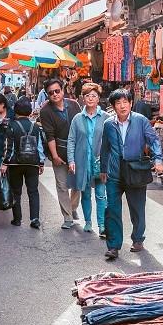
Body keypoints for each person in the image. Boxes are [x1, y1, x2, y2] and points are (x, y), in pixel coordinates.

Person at [100, 89, 163, 261]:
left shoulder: (141, 121)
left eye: (125, 102)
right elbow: (105, 147)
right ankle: (113, 246)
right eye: (118, 103)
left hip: (135, 170)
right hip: (114, 172)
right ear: (113, 106)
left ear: (130, 103)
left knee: (137, 208)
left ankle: (137, 239)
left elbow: (154, 140)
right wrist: (103, 169)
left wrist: (158, 159)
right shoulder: (108, 124)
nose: (122, 106)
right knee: (112, 209)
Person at [67, 83, 109, 236]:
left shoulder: (106, 118)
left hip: (100, 163)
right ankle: (88, 222)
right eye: (87, 96)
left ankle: (102, 225)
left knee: (100, 194)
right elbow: (71, 140)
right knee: (85, 193)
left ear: (98, 99)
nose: (90, 98)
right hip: (82, 162)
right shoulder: (77, 118)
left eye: (94, 96)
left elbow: (111, 141)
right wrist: (71, 160)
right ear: (83, 98)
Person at [39, 79, 82, 230]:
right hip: (59, 149)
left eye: (57, 91)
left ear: (62, 90)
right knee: (62, 185)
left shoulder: (74, 105)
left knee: (78, 183)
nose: (55, 94)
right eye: (51, 93)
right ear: (47, 94)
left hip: (77, 150)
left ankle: (73, 206)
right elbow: (49, 135)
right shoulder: (45, 111)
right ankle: (67, 217)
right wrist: (55, 156)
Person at [1, 99, 45, 229]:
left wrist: (5, 163)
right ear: (30, 112)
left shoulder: (12, 126)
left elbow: (10, 148)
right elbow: (39, 147)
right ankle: (35, 219)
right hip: (32, 164)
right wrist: (41, 163)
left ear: (15, 111)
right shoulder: (36, 127)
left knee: (16, 192)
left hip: (15, 164)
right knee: (33, 191)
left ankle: (17, 219)